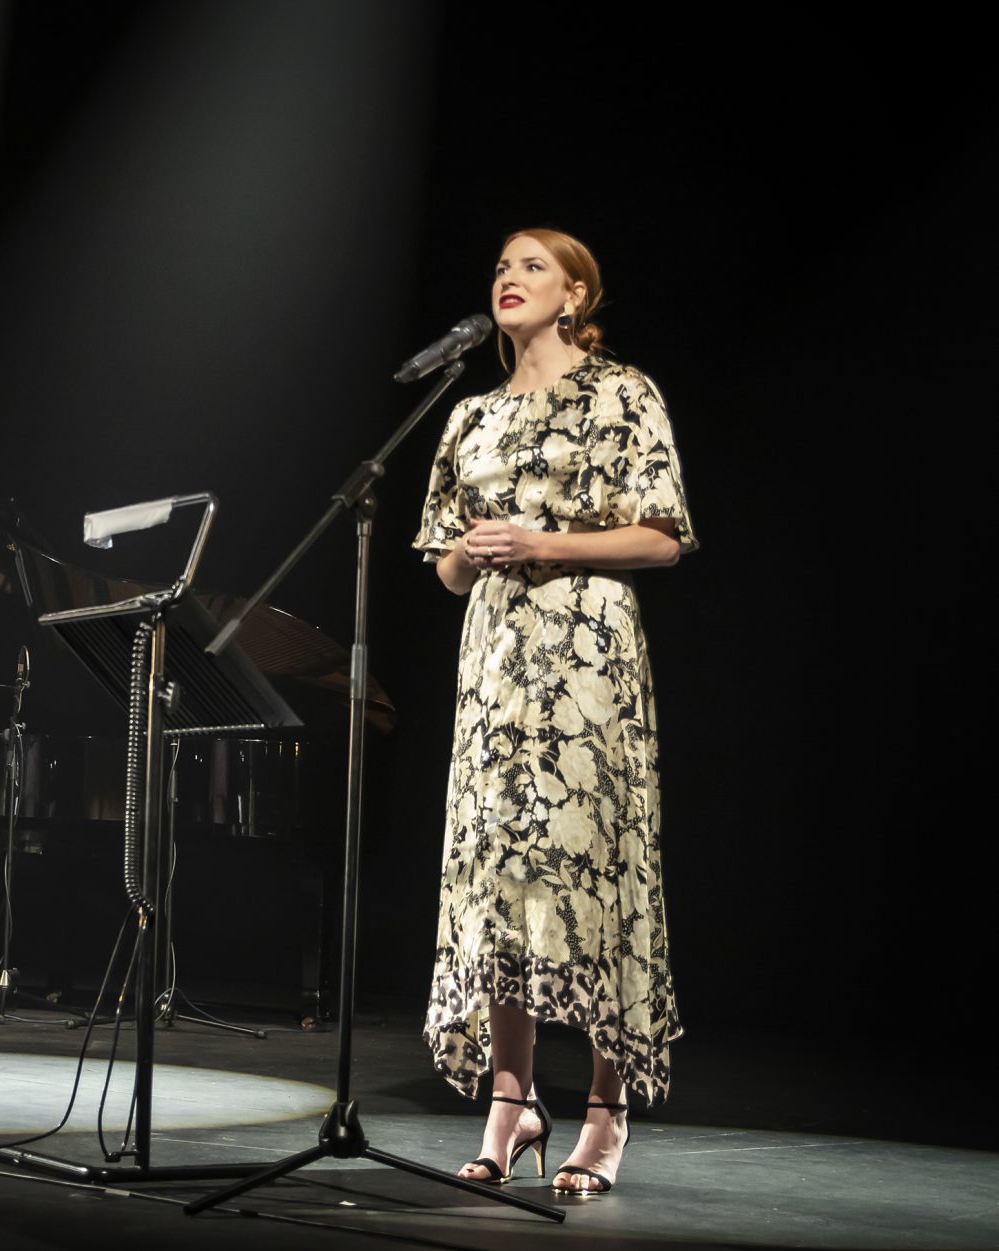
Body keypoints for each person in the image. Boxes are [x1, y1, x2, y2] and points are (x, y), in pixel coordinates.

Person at [412, 228, 696, 1195]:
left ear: (575, 293)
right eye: (498, 263)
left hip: (585, 663)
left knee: (595, 868)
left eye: (532, 265)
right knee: (497, 877)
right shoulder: (469, 416)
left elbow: (662, 540)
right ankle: (512, 1102)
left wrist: (547, 539)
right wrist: (477, 550)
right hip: (492, 664)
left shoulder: (624, 393)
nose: (507, 276)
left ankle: (605, 1118)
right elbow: (446, 569)